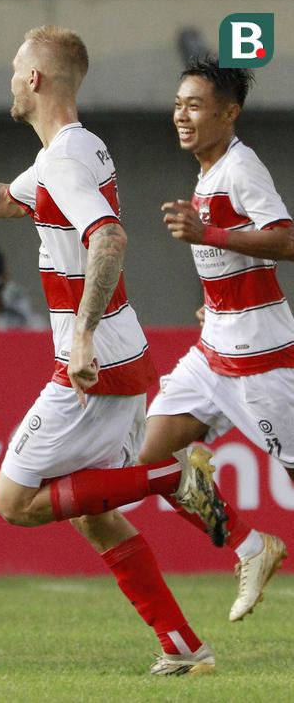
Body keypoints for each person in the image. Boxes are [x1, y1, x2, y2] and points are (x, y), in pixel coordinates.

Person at [0, 26, 225, 676]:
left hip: (95, 360)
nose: (9, 77)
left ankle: (173, 477)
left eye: (14, 68)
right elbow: (8, 199)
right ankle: (181, 645)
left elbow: (108, 237)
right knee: (94, 515)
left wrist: (81, 334)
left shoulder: (64, 159)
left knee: (13, 501)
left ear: (33, 79)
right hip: (117, 352)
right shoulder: (75, 148)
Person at [143, 56, 292, 622]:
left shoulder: (241, 167)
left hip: (262, 360)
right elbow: (237, 262)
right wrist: (217, 304)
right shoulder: (209, 172)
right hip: (213, 354)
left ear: (230, 114)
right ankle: (252, 547)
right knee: (149, 457)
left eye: (195, 106)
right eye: (178, 104)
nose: (182, 116)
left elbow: (285, 239)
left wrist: (207, 233)